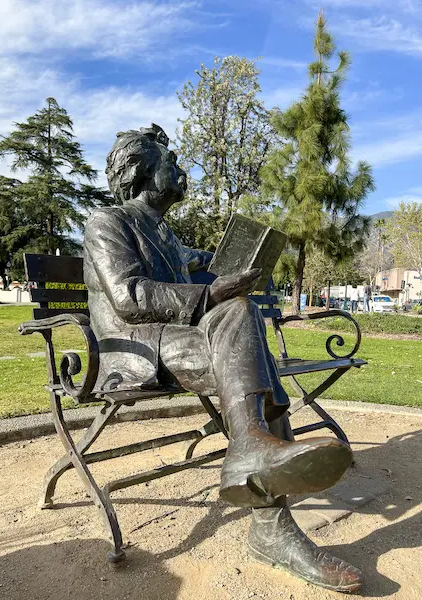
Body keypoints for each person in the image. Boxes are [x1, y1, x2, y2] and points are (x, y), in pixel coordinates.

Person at [83, 124, 362, 592]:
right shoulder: (107, 223)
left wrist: (239, 265)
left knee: (239, 326)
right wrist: (212, 291)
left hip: (178, 337)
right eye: (169, 162)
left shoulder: (165, 235)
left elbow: (200, 263)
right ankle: (268, 509)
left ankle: (256, 462)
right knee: (241, 340)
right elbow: (129, 297)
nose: (180, 168)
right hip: (132, 346)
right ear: (141, 172)